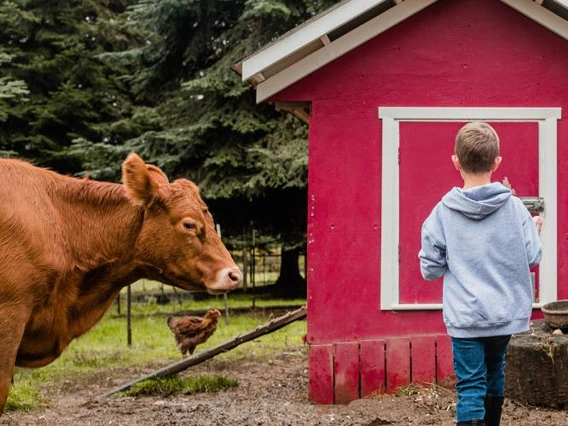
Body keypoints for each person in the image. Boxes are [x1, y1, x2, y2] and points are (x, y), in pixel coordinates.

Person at [418, 121, 543, 426]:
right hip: (503, 313)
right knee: (495, 371)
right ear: (497, 162)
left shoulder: (441, 213)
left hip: (466, 318)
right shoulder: (515, 209)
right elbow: (532, 257)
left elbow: (430, 270)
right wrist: (535, 231)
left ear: (456, 162)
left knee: (470, 385)